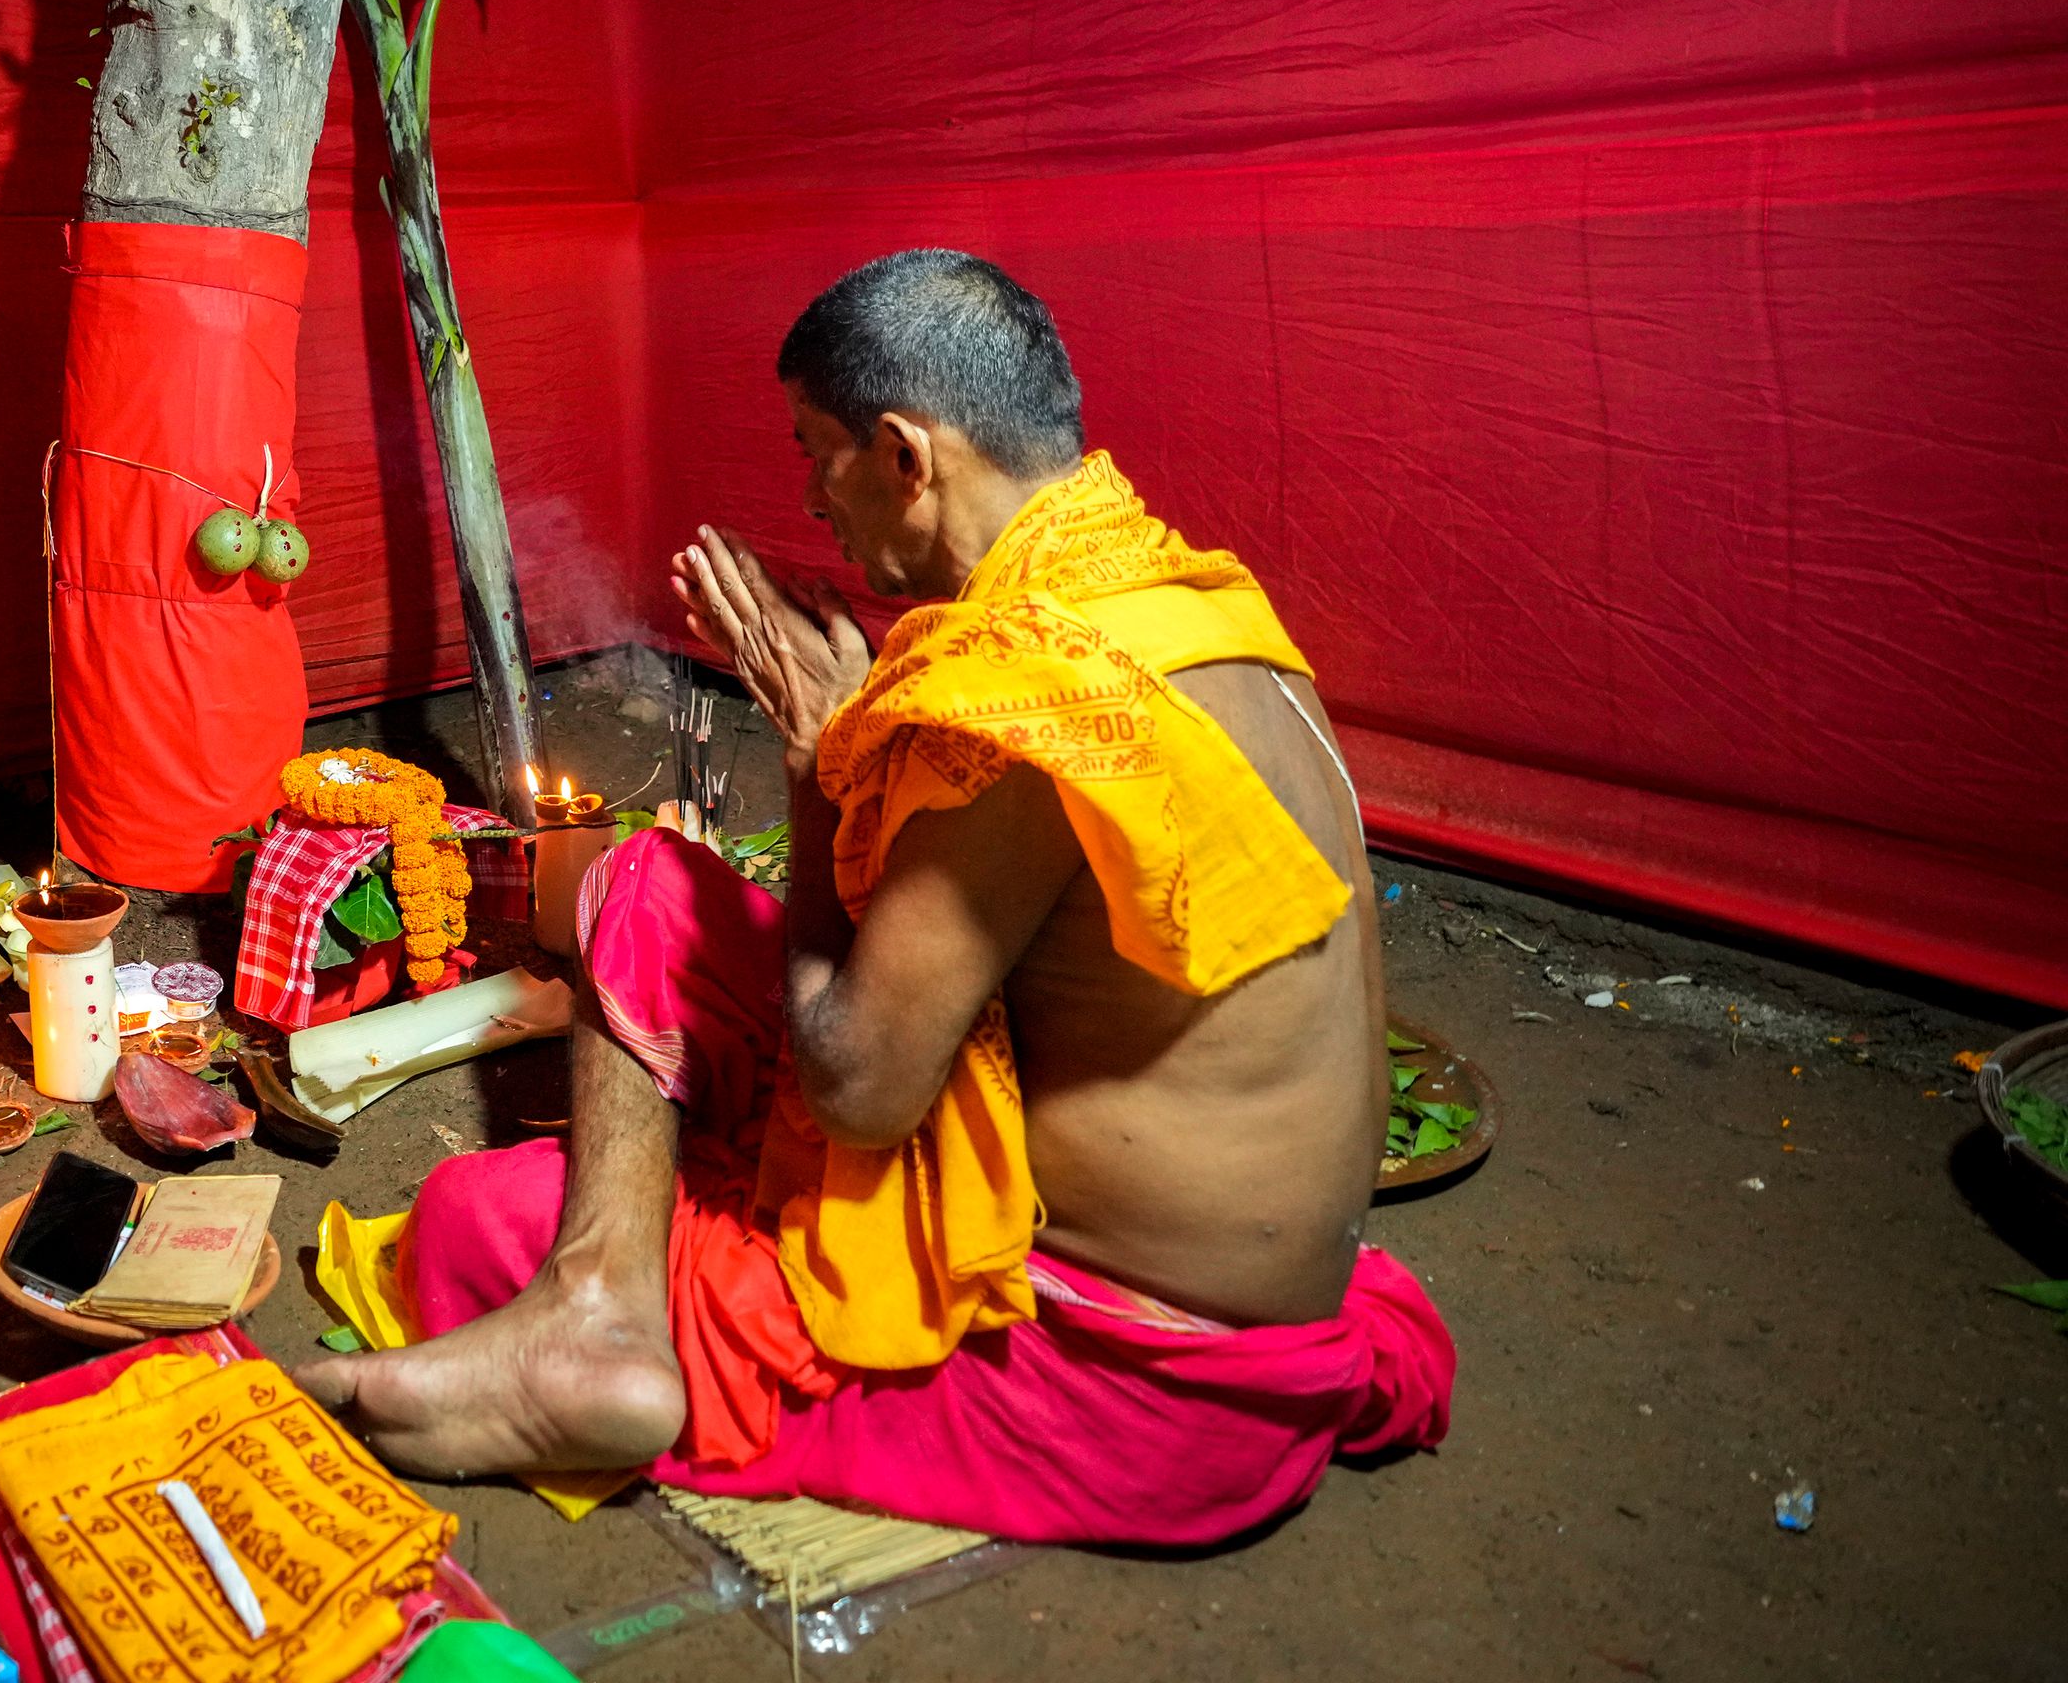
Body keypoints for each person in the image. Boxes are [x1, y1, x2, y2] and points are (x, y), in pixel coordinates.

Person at [295, 250, 1454, 1547]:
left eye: (816, 453)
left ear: (905, 456)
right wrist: (846, 756)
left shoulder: (1036, 699)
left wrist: (812, 764)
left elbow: (858, 1085)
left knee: (469, 1221)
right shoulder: (1192, 610)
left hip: (1124, 1374)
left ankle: (599, 1329)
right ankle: (601, 1303)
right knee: (644, 885)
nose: (810, 497)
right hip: (1233, 1278)